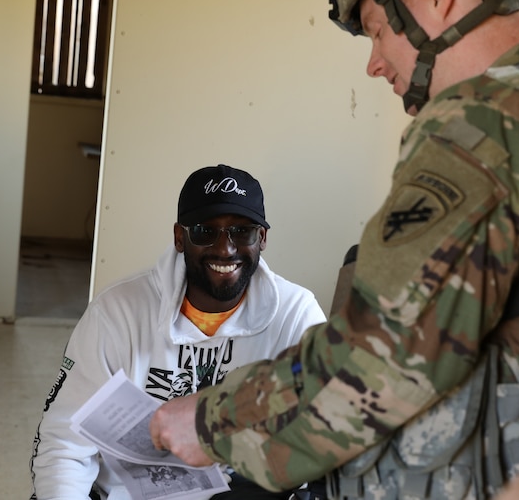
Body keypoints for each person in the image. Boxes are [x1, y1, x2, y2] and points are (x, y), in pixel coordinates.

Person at [149, 0, 519, 498]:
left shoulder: (481, 125)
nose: (375, 63)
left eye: (377, 29)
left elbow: (381, 360)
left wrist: (210, 422)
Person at [28, 164, 328, 500]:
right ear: (179, 237)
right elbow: (65, 446)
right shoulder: (117, 313)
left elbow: (331, 426)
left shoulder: (295, 314)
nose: (225, 249)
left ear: (262, 238)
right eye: (204, 231)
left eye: (241, 231)